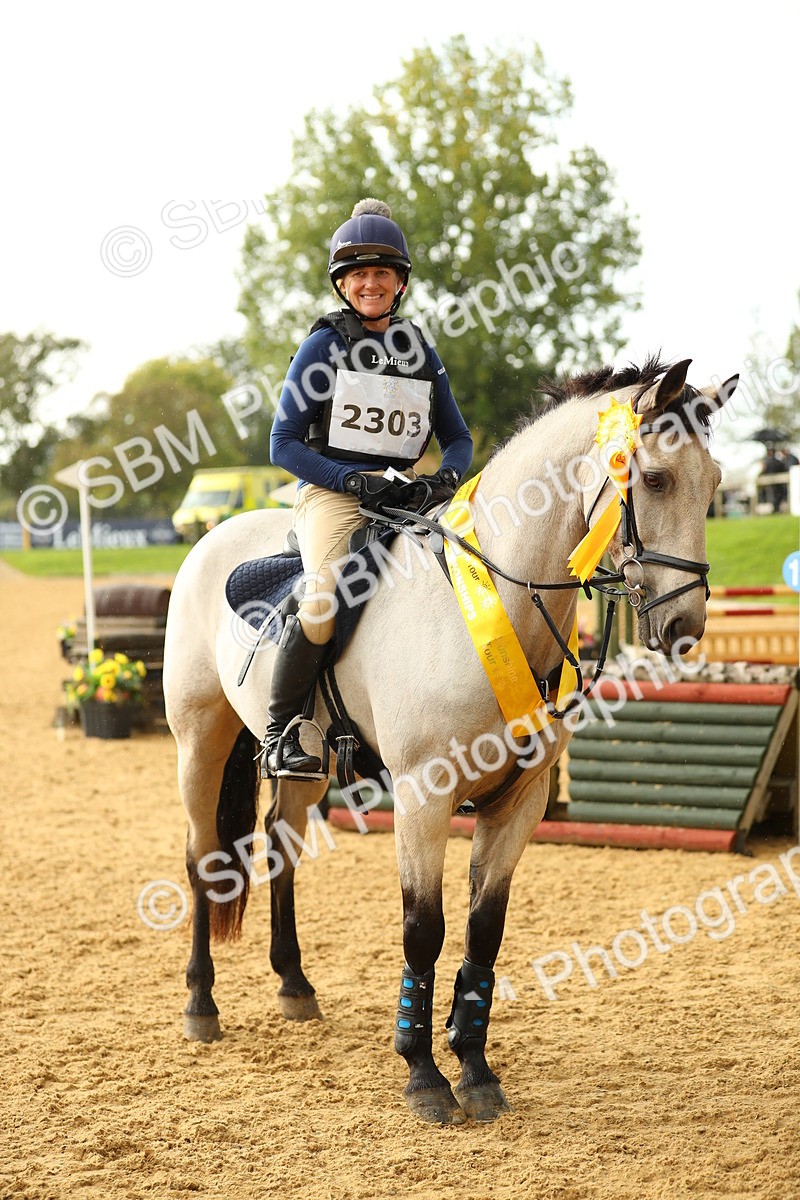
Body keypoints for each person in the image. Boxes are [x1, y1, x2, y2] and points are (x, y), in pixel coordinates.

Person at [266, 198, 473, 775]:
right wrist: (349, 478)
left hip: (403, 496)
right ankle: (280, 733)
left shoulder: (418, 350)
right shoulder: (323, 347)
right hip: (331, 494)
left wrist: (448, 477)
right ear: (343, 283)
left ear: (400, 282)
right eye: (359, 273)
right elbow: (282, 443)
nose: (371, 283)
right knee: (325, 594)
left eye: (382, 272)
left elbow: (457, 437)